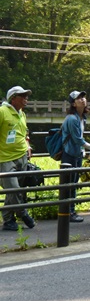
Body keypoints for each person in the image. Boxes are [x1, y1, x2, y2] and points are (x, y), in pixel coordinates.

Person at [0, 86, 36, 231]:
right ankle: (23, 213)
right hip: (5, 158)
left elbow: (23, 133)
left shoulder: (22, 113)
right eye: (23, 96)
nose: (26, 98)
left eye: (27, 95)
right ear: (13, 98)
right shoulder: (2, 112)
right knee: (14, 189)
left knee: (12, 191)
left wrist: (27, 145)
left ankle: (8, 220)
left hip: (21, 156)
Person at [61, 90, 90, 223]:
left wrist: (83, 150)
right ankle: (69, 211)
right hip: (69, 154)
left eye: (83, 97)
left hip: (76, 154)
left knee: (73, 183)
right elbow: (77, 139)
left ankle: (70, 210)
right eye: (79, 98)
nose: (83, 100)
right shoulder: (72, 118)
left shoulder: (82, 118)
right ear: (73, 104)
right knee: (69, 184)